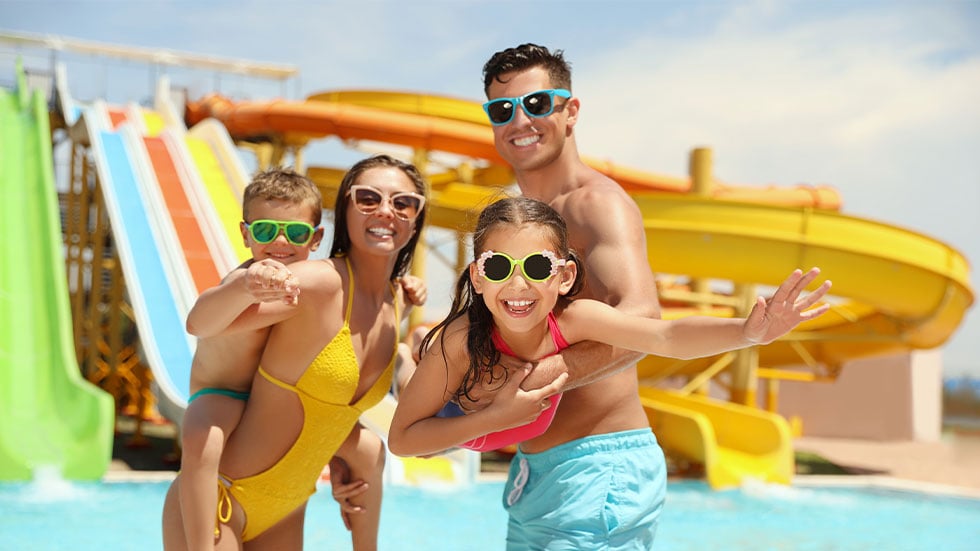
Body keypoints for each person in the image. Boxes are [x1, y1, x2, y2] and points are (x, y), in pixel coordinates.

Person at [390, 197, 831, 547]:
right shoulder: (460, 342)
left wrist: (749, 333)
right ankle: (409, 354)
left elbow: (667, 337)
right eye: (499, 266)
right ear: (478, 276)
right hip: (457, 413)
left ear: (563, 277)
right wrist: (497, 418)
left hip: (549, 478)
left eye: (537, 267)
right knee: (414, 375)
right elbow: (404, 439)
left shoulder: (574, 319)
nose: (518, 284)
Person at [162, 155, 428, 550]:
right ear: (346, 209)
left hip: (287, 512)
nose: (386, 211)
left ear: (417, 217)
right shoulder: (311, 283)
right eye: (368, 198)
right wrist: (246, 284)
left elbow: (335, 418)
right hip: (222, 500)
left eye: (403, 202)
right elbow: (200, 324)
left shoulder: (395, 304)